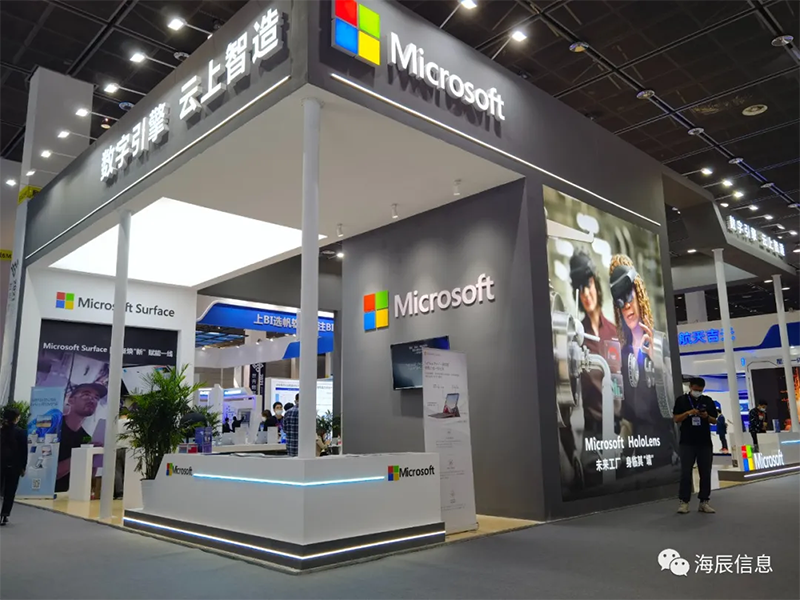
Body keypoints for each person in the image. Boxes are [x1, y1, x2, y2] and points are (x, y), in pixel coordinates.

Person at [570, 250, 618, 435]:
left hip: (622, 432)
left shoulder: (615, 332)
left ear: (596, 283)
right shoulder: (576, 338)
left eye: (588, 284)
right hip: (593, 435)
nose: (585, 293)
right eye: (579, 288)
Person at [673, 377, 718, 514]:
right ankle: (684, 502)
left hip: (704, 442)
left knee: (705, 473)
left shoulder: (708, 401)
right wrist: (688, 413)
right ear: (690, 387)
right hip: (687, 442)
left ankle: (704, 501)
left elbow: (714, 420)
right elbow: (676, 418)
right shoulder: (682, 400)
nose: (697, 392)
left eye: (700, 390)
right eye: (695, 389)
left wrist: (706, 416)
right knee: (686, 473)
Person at [56, 383, 105, 493]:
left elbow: (88, 477)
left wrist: (94, 457)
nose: (92, 399)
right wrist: (82, 454)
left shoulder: (86, 438)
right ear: (71, 400)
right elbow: (47, 474)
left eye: (96, 397)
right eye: (86, 394)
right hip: (43, 495)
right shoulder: (53, 428)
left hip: (68, 496)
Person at [0, 407, 27, 525]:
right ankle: (4, 514)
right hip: (14, 465)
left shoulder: (1, 431)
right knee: (10, 491)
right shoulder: (20, 432)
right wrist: (23, 466)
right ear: (16, 418)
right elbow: (24, 451)